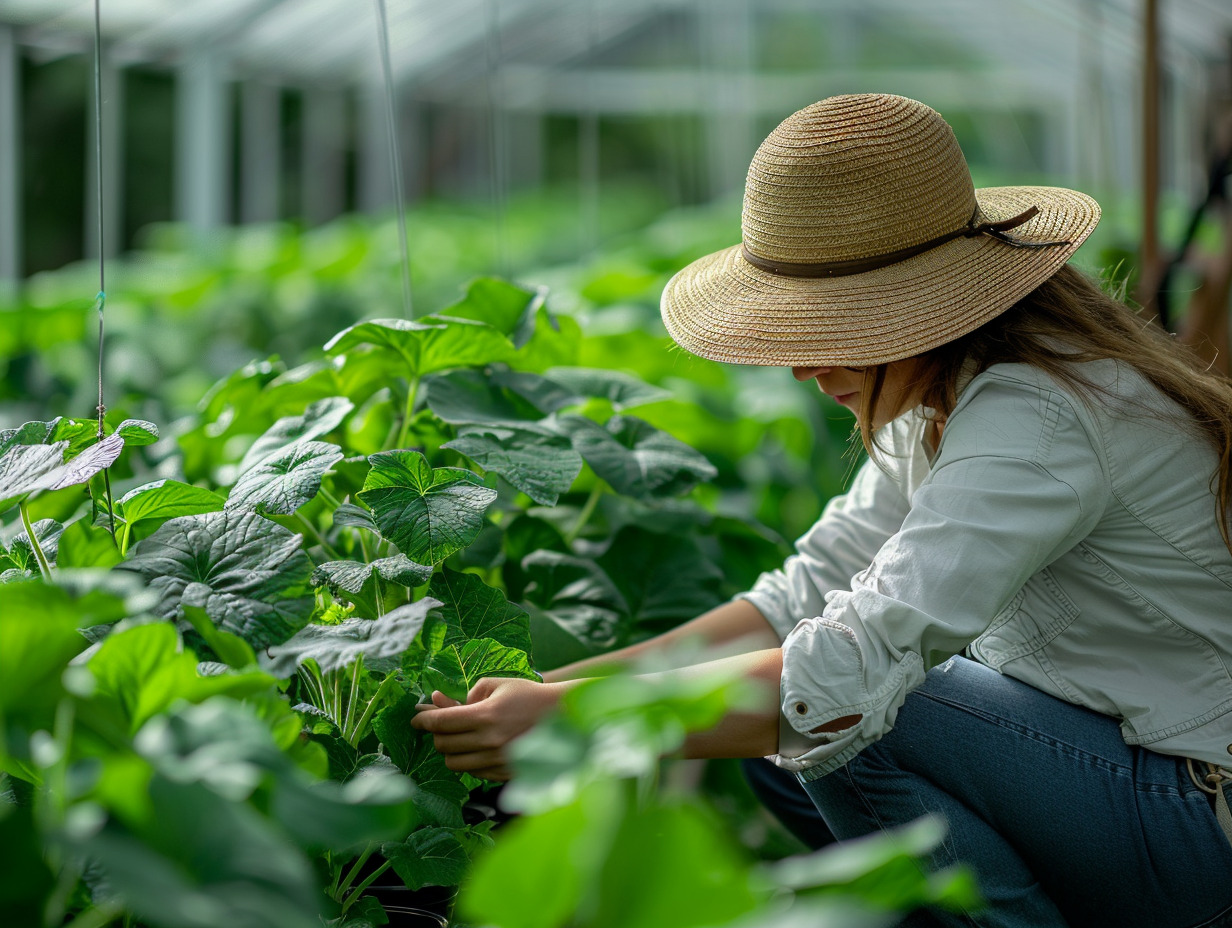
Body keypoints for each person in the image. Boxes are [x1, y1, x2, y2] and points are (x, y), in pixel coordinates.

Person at [412, 94, 1232, 927]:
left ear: (922, 305)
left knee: (849, 712)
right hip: (1117, 778)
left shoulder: (1036, 413)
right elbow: (800, 596)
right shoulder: (951, 394)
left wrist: (568, 724)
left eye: (833, 327)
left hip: (1198, 816)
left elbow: (854, 667)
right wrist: (558, 690)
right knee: (776, 727)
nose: (803, 367)